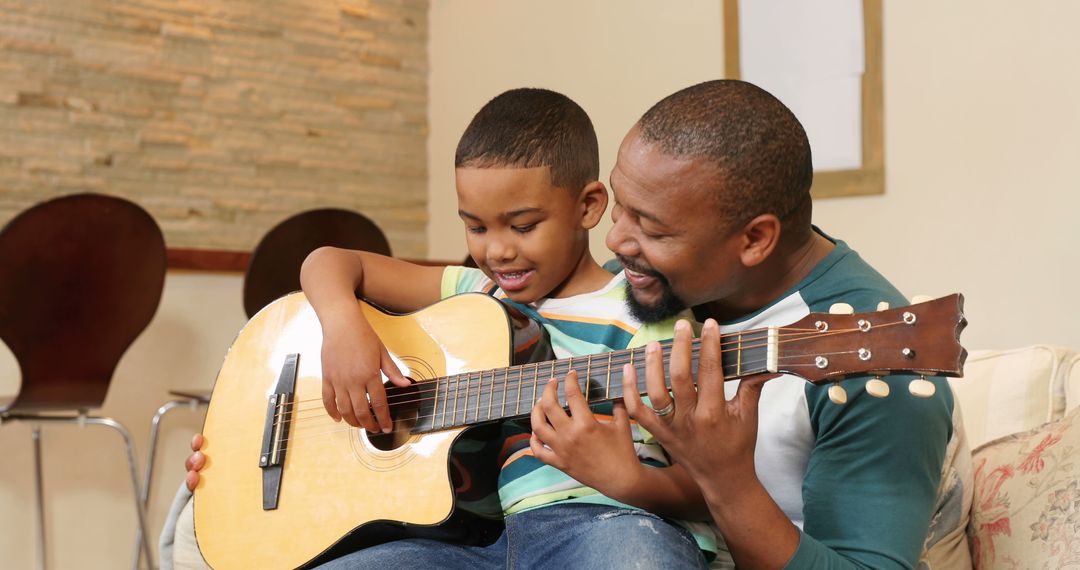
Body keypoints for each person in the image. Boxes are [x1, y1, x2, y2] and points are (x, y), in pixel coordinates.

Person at [167, 87, 713, 569]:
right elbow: (327, 261)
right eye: (475, 226)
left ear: (589, 206)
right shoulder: (477, 293)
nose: (497, 249)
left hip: (605, 524)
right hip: (476, 546)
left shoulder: (646, 317)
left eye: (524, 225)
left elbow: (709, 485)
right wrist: (344, 329)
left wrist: (631, 482)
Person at [532, 79, 971, 569]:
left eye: (652, 228)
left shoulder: (874, 361)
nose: (615, 240)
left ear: (756, 239)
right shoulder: (641, 288)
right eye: (620, 205)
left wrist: (725, 479)